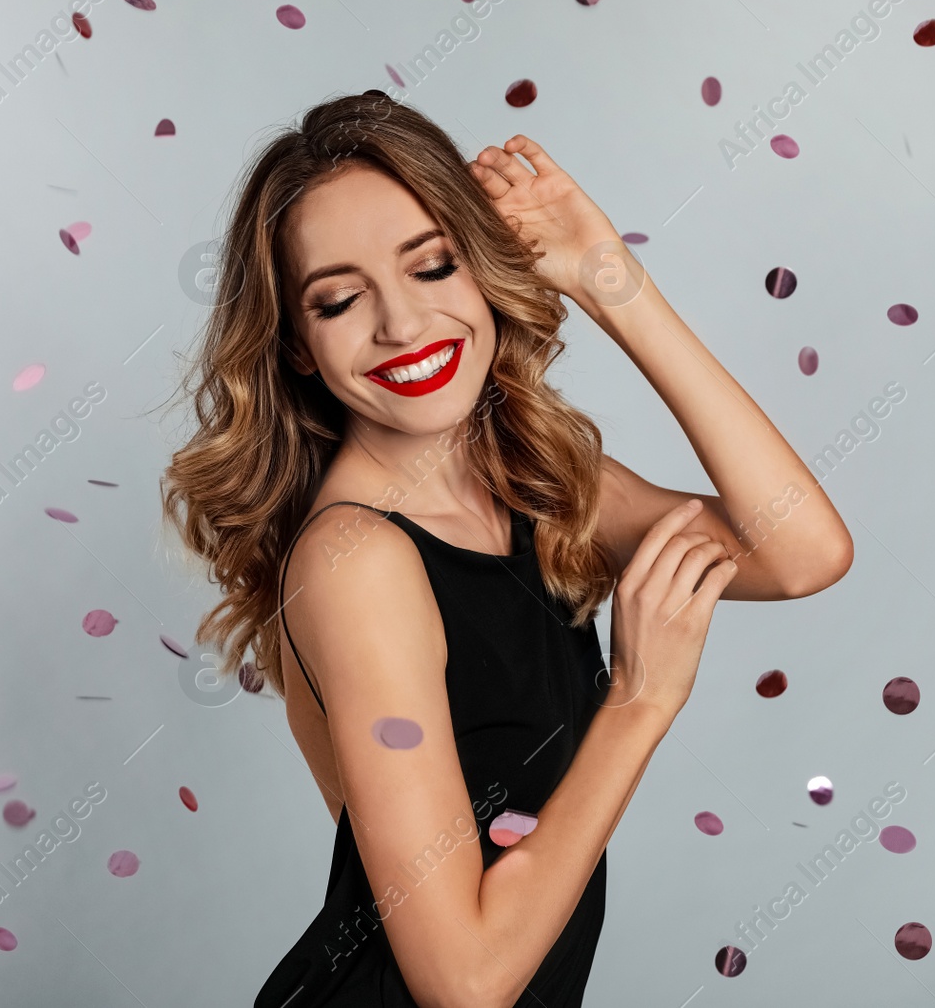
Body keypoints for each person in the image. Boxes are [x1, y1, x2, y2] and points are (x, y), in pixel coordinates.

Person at [159, 91, 853, 1008]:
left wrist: (610, 278)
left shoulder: (536, 485)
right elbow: (466, 980)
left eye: (434, 265)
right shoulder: (356, 562)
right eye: (338, 299)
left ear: (484, 268)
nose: (402, 325)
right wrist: (640, 698)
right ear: (295, 345)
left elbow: (801, 550)